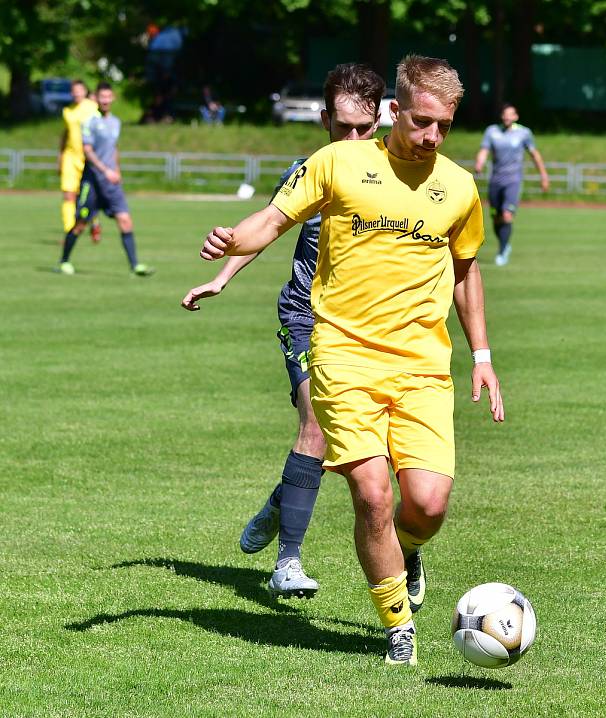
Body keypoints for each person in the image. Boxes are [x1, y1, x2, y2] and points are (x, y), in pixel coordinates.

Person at [197, 55, 504, 667]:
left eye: (445, 125)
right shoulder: (337, 162)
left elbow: (466, 271)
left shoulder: (460, 187)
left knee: (428, 505)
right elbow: (272, 221)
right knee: (372, 495)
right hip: (343, 355)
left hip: (422, 365)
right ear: (395, 110)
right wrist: (230, 244)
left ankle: (407, 549)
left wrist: (483, 355)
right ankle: (399, 630)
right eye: (422, 122)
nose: (432, 137)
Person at [181, 63, 386, 598]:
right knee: (315, 428)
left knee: (366, 453)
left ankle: (281, 501)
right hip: (306, 317)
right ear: (324, 121)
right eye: (343, 128)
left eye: (364, 129)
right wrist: (221, 275)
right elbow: (269, 228)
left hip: (368, 329)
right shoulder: (308, 170)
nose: (353, 139)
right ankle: (287, 563)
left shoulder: (394, 177)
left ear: (382, 121)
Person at [56, 83, 154, 277]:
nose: (106, 100)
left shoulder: (116, 122)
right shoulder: (90, 121)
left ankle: (135, 265)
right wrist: (105, 170)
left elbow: (114, 149)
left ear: (113, 98)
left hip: (111, 183)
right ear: (96, 99)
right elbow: (88, 150)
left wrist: (116, 171)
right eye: (102, 97)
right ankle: (64, 261)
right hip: (92, 182)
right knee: (80, 224)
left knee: (125, 221)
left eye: (109, 97)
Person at [474, 104, 549, 266]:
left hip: (513, 181)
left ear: (516, 117)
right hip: (495, 181)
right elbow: (484, 150)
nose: (507, 117)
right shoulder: (492, 131)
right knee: (495, 218)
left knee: (507, 215)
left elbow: (535, 155)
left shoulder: (524, 133)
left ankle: (502, 251)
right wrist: (479, 163)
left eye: (510, 114)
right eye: (504, 114)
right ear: (502, 116)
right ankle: (504, 244)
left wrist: (543, 176)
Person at [58, 80, 101, 242]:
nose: (76, 93)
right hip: (71, 157)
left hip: (88, 158)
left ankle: (95, 222)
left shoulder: (92, 107)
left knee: (90, 196)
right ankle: (69, 231)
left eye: (79, 90)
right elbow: (65, 134)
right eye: (73, 91)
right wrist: (60, 156)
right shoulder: (67, 111)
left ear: (84, 91)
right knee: (69, 195)